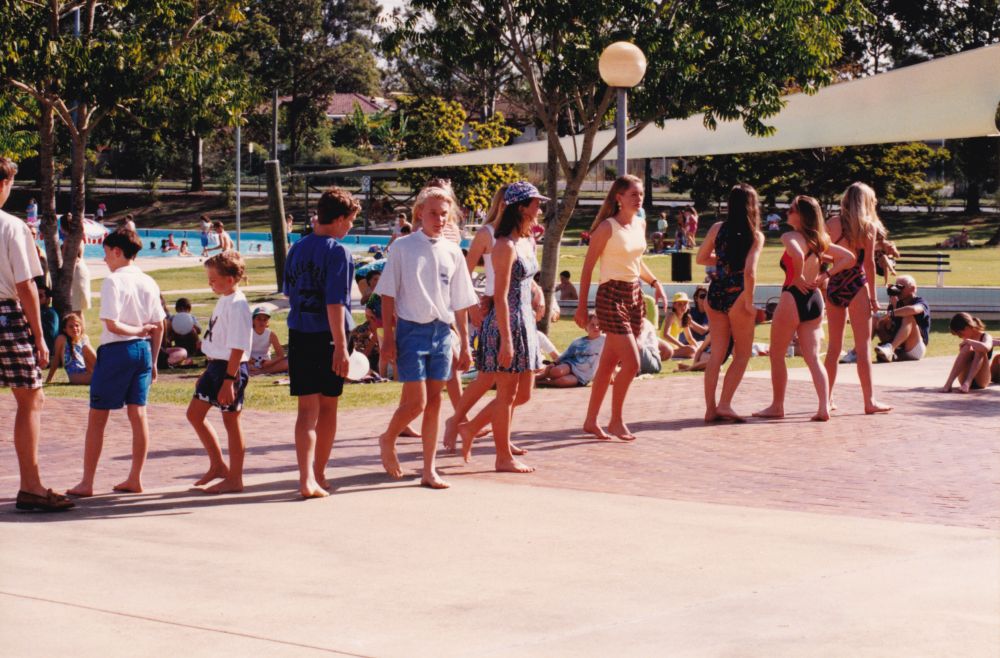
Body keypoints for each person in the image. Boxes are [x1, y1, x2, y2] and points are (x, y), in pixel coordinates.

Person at [374, 184, 478, 489]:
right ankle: (388, 437)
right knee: (416, 403)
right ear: (420, 212)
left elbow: (460, 302)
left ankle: (428, 469)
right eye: (433, 213)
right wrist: (388, 338)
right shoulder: (403, 247)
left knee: (434, 402)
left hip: (442, 333)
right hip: (411, 331)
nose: (439, 219)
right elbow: (388, 295)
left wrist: (466, 344)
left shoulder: (452, 253)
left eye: (444, 214)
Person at [67, 228, 165, 497]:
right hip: (142, 352)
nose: (105, 260)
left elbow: (113, 324)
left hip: (117, 351)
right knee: (138, 414)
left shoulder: (113, 281)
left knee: (98, 417)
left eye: (107, 253)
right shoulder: (149, 281)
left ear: (117, 252)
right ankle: (135, 477)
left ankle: (87, 482)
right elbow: (159, 325)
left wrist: (137, 330)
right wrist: (154, 359)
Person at [0, 158, 73, 511]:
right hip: (6, 317)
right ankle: (30, 486)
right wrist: (39, 336)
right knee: (30, 398)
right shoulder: (11, 227)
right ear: (4, 184)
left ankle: (31, 485)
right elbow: (26, 285)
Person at [575, 175, 667, 441]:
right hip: (610, 295)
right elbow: (588, 267)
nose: (639, 199)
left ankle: (590, 421)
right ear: (619, 198)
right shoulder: (606, 227)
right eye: (633, 195)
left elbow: (637, 261)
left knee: (608, 363)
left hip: (634, 295)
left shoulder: (640, 223)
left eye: (640, 194)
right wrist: (582, 306)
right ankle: (616, 420)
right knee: (632, 362)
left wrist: (655, 282)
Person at [283, 187, 358, 498]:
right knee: (328, 408)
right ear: (339, 219)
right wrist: (341, 347)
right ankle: (319, 474)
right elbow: (335, 303)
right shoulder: (337, 251)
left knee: (306, 411)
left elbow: (289, 292)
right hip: (327, 337)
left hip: (299, 333)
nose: (351, 227)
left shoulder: (297, 248)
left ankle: (306, 478)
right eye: (351, 221)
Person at [753, 196, 854, 422]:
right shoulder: (821, 241)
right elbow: (848, 257)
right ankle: (823, 406)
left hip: (792, 296)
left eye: (791, 209)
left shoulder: (790, 236)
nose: (787, 212)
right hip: (815, 299)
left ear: (802, 215)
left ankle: (777, 406)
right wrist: (825, 275)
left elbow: (797, 253)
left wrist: (798, 275)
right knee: (813, 358)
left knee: (777, 355)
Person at [472, 181, 547, 473]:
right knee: (505, 394)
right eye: (535, 203)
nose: (539, 208)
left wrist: (538, 296)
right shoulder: (503, 245)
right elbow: (501, 296)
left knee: (521, 393)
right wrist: (506, 339)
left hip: (524, 319)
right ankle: (501, 456)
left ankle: (471, 429)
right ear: (520, 207)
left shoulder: (523, 241)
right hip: (509, 321)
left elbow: (526, 282)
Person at [442, 185, 510, 453]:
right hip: (495, 308)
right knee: (492, 377)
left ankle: (464, 423)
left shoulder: (525, 235)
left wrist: (537, 293)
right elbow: (464, 274)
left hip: (520, 311)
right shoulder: (488, 233)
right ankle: (460, 422)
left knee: (517, 387)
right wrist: (472, 308)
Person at [696, 183, 765, 422]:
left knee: (716, 354)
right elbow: (750, 271)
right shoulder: (756, 236)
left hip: (715, 293)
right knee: (742, 354)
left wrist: (723, 260)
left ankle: (710, 408)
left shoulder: (717, 228)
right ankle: (725, 404)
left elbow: (701, 258)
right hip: (738, 294)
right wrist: (749, 301)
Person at [822, 182, 892, 414]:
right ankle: (869, 401)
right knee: (863, 347)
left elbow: (822, 253)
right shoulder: (867, 227)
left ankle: (827, 399)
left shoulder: (832, 223)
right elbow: (869, 264)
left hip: (835, 282)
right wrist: (873, 297)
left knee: (834, 347)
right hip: (856, 284)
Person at [186, 252, 253, 494]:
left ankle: (235, 478)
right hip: (216, 366)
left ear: (230, 278)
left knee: (231, 421)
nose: (210, 282)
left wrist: (228, 380)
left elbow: (238, 346)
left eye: (213, 278)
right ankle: (217, 465)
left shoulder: (238, 305)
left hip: (229, 369)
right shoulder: (224, 300)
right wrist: (209, 370)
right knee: (194, 414)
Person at [537, 314, 606, 387]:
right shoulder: (578, 342)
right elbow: (564, 355)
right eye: (592, 325)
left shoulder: (605, 340)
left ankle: (543, 382)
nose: (596, 327)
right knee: (556, 371)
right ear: (585, 327)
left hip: (583, 376)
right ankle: (542, 376)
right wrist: (554, 363)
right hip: (571, 365)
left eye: (599, 324)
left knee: (563, 381)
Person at [874, 275, 931, 363]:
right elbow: (890, 328)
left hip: (915, 348)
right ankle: (858, 352)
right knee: (876, 319)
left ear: (912, 289)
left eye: (901, 287)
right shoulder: (895, 304)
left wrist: (892, 313)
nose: (898, 290)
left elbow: (913, 309)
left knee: (908, 316)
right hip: (900, 348)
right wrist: (893, 307)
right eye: (896, 286)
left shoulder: (920, 302)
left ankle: (890, 349)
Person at [942, 313, 993, 393]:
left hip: (982, 380)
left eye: (960, 334)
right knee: (966, 348)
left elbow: (986, 347)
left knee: (979, 350)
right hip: (964, 377)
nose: (961, 337)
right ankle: (949, 383)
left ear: (968, 328)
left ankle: (968, 383)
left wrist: (969, 341)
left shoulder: (985, 336)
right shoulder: (967, 341)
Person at [46, 312, 96, 385]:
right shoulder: (62, 339)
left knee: (86, 347)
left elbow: (91, 359)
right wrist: (49, 379)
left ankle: (103, 373)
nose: (75, 328)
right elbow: (56, 359)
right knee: (100, 379)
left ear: (81, 327)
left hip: (89, 370)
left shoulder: (84, 338)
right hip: (76, 375)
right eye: (71, 327)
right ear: (65, 329)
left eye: (77, 325)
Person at [248, 306, 288, 375]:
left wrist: (269, 363)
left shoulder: (271, 334)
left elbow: (281, 355)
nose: (262, 322)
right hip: (249, 363)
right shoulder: (247, 333)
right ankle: (256, 371)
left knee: (288, 362)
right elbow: (240, 351)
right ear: (253, 320)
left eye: (265, 320)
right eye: (259, 319)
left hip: (266, 364)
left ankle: (260, 372)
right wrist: (248, 359)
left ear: (267, 322)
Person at [661, 292, 697, 358]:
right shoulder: (671, 315)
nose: (683, 307)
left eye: (685, 304)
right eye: (680, 304)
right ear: (674, 305)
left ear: (688, 306)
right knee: (692, 350)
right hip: (665, 348)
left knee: (699, 344)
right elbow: (666, 334)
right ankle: (666, 354)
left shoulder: (685, 318)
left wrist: (698, 349)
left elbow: (689, 338)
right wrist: (682, 346)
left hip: (675, 348)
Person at [70, 238, 91, 318]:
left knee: (76, 310)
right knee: (76, 310)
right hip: (78, 272)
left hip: (77, 273)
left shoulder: (77, 239)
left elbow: (77, 256)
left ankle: (80, 329)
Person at [37, 285, 60, 352]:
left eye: (40, 296)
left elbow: (51, 336)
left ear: (48, 300)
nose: (36, 299)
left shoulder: (51, 314)